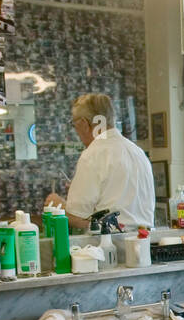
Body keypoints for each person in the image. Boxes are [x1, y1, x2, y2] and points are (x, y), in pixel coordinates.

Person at [44, 94, 154, 231]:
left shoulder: (93, 154)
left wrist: (58, 206)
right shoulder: (137, 152)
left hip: (110, 246)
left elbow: (77, 217)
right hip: (144, 241)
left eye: (74, 124)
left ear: (84, 124)